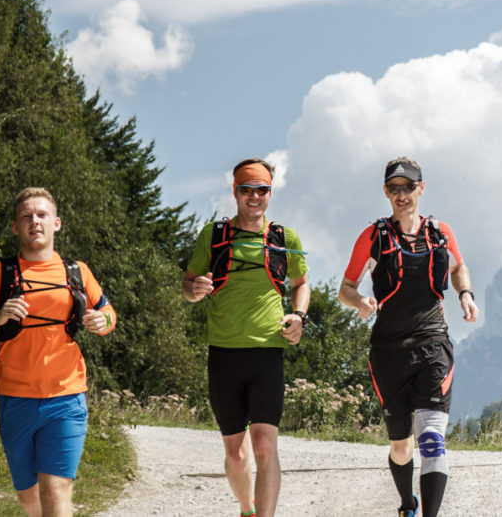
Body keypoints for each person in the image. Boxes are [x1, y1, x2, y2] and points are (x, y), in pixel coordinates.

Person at [0, 187, 117, 517]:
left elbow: (109, 313)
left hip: (67, 396)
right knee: (29, 496)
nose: (35, 222)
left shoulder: (78, 272)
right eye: (26, 216)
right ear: (15, 227)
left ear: (56, 223)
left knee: (56, 488)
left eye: (42, 215)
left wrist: (103, 321)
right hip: (15, 397)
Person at [339, 157, 479, 517]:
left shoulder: (440, 232)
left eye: (409, 187)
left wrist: (465, 294)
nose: (402, 194)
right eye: (394, 188)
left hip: (433, 344)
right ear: (386, 192)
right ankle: (407, 505)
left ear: (422, 188)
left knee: (431, 439)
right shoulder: (373, 237)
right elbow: (346, 288)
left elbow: (459, 265)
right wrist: (360, 301)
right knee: (401, 447)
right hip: (388, 352)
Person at [182, 158, 311, 517]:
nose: (254, 197)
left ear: (271, 192)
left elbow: (301, 284)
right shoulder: (214, 235)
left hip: (268, 352)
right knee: (235, 454)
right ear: (235, 191)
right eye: (246, 189)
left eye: (262, 190)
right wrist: (198, 289)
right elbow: (188, 286)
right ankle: (247, 508)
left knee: (266, 447)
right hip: (223, 353)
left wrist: (298, 316)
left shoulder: (285, 238)